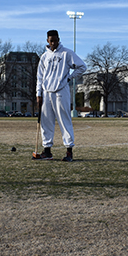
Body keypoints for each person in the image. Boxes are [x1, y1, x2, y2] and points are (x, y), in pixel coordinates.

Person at [35, 30, 87, 161]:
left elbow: (82, 67)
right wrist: (38, 93)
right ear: (47, 41)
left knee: (64, 120)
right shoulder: (44, 57)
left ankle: (69, 151)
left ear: (59, 39)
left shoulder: (67, 53)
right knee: (46, 122)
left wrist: (69, 78)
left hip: (61, 91)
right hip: (46, 92)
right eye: (51, 40)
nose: (53, 43)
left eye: (55, 40)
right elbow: (39, 77)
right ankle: (47, 151)